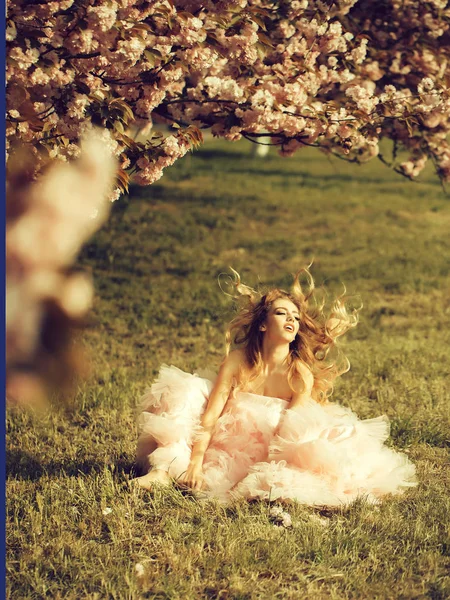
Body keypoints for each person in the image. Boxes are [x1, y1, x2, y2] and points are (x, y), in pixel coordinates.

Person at [134, 268, 416, 506]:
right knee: (185, 390)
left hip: (266, 449)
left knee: (314, 460)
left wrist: (254, 475)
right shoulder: (237, 361)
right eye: (282, 313)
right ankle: (163, 471)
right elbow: (210, 416)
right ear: (264, 325)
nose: (292, 320)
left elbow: (285, 438)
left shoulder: (298, 374)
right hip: (221, 438)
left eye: (295, 316)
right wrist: (196, 463)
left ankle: (216, 478)